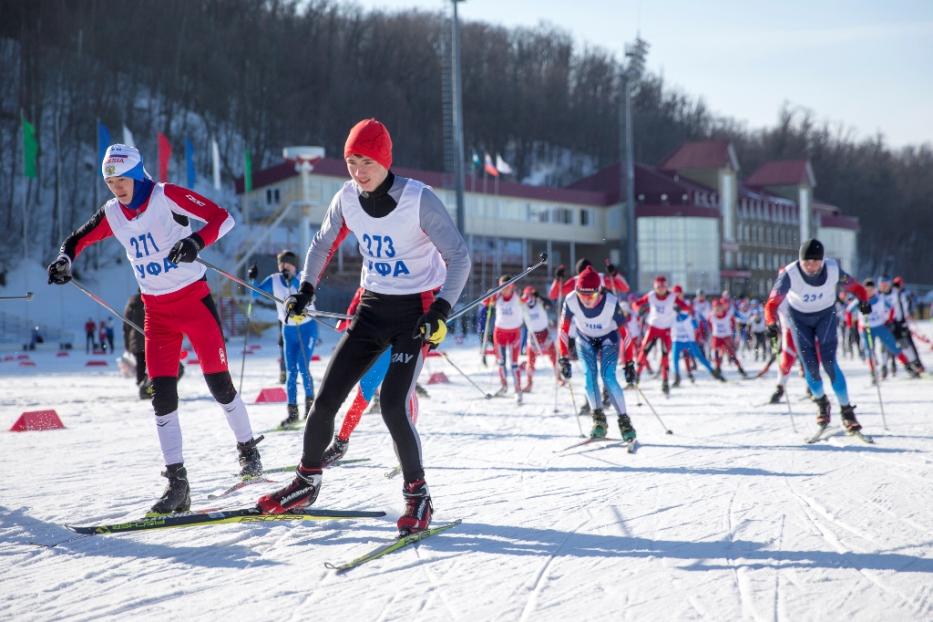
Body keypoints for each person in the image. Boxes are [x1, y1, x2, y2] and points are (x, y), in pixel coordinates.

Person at [256, 119, 471, 537]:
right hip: (372, 307)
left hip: (416, 310)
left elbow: (459, 256)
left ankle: (418, 494)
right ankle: (306, 481)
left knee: (392, 405)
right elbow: (321, 244)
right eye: (352, 160)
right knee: (326, 397)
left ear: (385, 160)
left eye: (366, 161)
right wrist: (304, 289)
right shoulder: (347, 198)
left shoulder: (418, 199)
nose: (358, 170)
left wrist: (441, 309)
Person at [47, 143, 263, 515]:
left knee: (219, 384)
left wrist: (195, 241)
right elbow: (76, 239)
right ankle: (178, 485)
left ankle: (249, 451)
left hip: (194, 304)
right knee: (161, 396)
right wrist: (65, 259)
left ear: (136, 174)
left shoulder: (166, 195)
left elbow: (223, 218)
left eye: (121, 179)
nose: (115, 187)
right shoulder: (113, 213)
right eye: (109, 181)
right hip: (156, 313)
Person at [764, 239, 870, 433]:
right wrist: (771, 323)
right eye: (807, 262)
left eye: (816, 262)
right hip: (799, 320)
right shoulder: (790, 273)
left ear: (822, 260)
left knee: (829, 363)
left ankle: (847, 411)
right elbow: (771, 303)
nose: (811, 266)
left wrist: (863, 299)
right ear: (800, 260)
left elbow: (856, 287)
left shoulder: (833, 269)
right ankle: (822, 403)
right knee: (810, 367)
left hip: (825, 317)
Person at [320, 288, 418, 466]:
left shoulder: (410, 277)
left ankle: (409, 446)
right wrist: (348, 319)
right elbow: (359, 297)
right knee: (363, 395)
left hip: (401, 340)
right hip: (375, 344)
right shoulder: (373, 275)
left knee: (404, 392)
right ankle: (340, 443)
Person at [558, 267, 635, 440]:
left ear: (599, 291)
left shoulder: (611, 302)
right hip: (584, 339)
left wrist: (629, 362)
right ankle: (599, 420)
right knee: (589, 375)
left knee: (608, 376)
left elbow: (626, 334)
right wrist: (563, 358)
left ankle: (624, 422)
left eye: (590, 296)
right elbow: (563, 331)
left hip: (608, 339)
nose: (586, 300)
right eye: (582, 295)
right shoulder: (570, 300)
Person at [249, 249, 318, 427]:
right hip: (288, 330)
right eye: (281, 264)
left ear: (294, 266)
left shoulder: (303, 278)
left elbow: (311, 295)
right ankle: (292, 413)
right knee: (290, 372)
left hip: (307, 328)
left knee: (303, 367)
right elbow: (255, 294)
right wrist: (253, 279)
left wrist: (294, 281)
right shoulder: (273, 279)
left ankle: (311, 410)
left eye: (287, 263)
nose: (284, 267)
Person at [633, 275, 692, 395]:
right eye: (658, 287)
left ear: (666, 287)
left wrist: (680, 308)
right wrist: (638, 309)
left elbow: (687, 308)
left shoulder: (672, 297)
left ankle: (665, 381)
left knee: (665, 355)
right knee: (644, 351)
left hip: (666, 330)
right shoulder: (651, 296)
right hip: (653, 328)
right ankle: (636, 375)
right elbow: (636, 304)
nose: (661, 289)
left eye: (663, 287)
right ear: (655, 287)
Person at [853, 279, 919, 381]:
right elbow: (848, 312)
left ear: (874, 290)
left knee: (893, 346)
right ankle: (873, 373)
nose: (869, 292)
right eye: (867, 290)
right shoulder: (860, 299)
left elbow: (892, 309)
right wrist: (855, 319)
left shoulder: (880, 299)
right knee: (870, 351)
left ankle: (909, 367)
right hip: (866, 328)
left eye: (871, 290)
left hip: (879, 326)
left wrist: (888, 320)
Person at [484, 274, 525, 403]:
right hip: (500, 332)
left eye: (506, 286)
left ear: (512, 286)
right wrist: (488, 295)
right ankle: (504, 386)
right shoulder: (497, 296)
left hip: (514, 333)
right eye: (501, 286)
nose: (503, 289)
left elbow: (527, 297)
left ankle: (518, 390)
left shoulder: (517, 295)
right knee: (501, 362)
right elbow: (484, 302)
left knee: (513, 364)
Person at [520, 286, 559, 392]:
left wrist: (540, 297)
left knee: (554, 357)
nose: (530, 299)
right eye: (528, 296)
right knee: (530, 361)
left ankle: (559, 378)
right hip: (532, 335)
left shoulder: (540, 301)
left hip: (544, 332)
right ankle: (529, 383)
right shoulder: (523, 305)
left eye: (531, 296)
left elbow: (550, 304)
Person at [671, 309, 722, 386]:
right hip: (678, 341)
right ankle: (677, 377)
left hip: (688, 341)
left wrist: (698, 336)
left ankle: (713, 372)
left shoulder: (687, 317)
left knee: (699, 357)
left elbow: (696, 327)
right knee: (675, 359)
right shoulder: (671, 318)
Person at [709, 297, 748, 378]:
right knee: (716, 353)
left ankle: (740, 369)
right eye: (715, 309)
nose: (717, 311)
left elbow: (735, 325)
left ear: (722, 308)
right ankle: (718, 368)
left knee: (732, 354)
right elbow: (709, 325)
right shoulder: (712, 316)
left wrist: (735, 335)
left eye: (719, 308)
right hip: (717, 337)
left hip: (726, 337)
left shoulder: (728, 315)